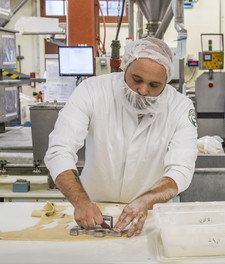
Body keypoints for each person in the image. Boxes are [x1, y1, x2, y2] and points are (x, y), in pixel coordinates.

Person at [44, 37, 198, 237]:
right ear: (125, 67)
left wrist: (146, 200)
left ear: (167, 82)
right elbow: (59, 150)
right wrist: (80, 202)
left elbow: (181, 169)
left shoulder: (180, 107)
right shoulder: (92, 90)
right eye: (136, 80)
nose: (143, 90)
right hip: (92, 208)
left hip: (150, 212)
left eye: (154, 85)